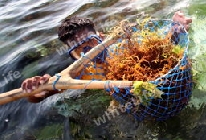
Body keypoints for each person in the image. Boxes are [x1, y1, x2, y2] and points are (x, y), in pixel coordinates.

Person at [21, 11, 192, 103]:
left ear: (101, 37)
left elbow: (159, 51)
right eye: (79, 51)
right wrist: (33, 89)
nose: (87, 53)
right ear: (72, 55)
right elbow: (42, 94)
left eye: (90, 44)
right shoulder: (80, 74)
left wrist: (176, 29)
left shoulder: (122, 48)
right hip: (126, 99)